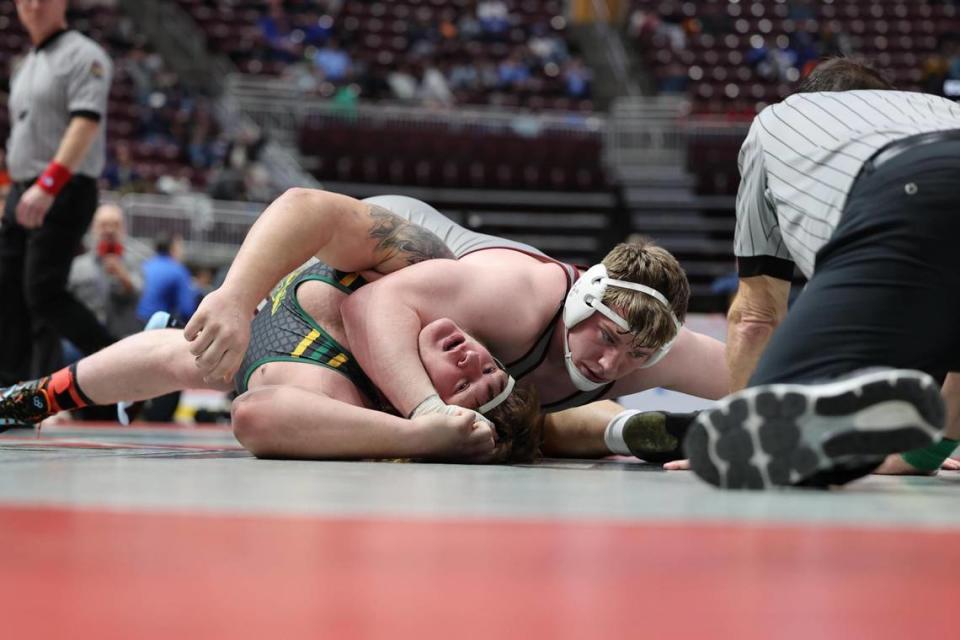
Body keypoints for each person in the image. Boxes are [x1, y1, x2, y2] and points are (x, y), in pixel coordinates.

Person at [182, 189, 729, 463]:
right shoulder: (510, 297)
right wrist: (423, 421)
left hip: (410, 344)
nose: (610, 364)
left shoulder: (651, 347)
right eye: (607, 337)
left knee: (526, 426)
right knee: (214, 357)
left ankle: (622, 429)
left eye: (636, 357)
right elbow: (367, 303)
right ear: (582, 304)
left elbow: (773, 374)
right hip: (380, 280)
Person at [0, 213, 540, 463]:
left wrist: (424, 436)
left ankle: (33, 399)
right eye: (491, 363)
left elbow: (253, 417)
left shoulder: (336, 393)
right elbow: (306, 206)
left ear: (448, 410)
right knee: (202, 350)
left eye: (468, 385)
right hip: (290, 265)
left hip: (281, 345)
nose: (473, 358)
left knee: (194, 359)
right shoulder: (442, 276)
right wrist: (237, 295)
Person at [682, 58, 960, 489]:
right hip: (928, 185)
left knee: (781, 423)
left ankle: (836, 414)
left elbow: (756, 315)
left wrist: (741, 435)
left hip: (906, 187)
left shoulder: (779, 119)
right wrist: (924, 456)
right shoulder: (938, 105)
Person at [0, 0, 115, 384]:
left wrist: (48, 184)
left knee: (43, 292)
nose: (32, 4)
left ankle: (125, 372)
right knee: (9, 290)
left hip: (61, 186)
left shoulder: (84, 55)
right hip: (22, 188)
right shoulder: (25, 64)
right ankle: (13, 391)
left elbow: (85, 123)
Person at [68, 203, 143, 340]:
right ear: (93, 228)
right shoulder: (77, 266)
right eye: (103, 224)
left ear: (123, 229)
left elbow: (139, 292)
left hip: (122, 340)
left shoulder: (135, 262)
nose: (109, 230)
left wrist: (123, 276)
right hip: (84, 340)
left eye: (115, 224)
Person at [137, 233, 199, 325]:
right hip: (158, 325)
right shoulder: (178, 270)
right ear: (172, 249)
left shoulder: (146, 265)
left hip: (138, 322)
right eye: (180, 247)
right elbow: (186, 309)